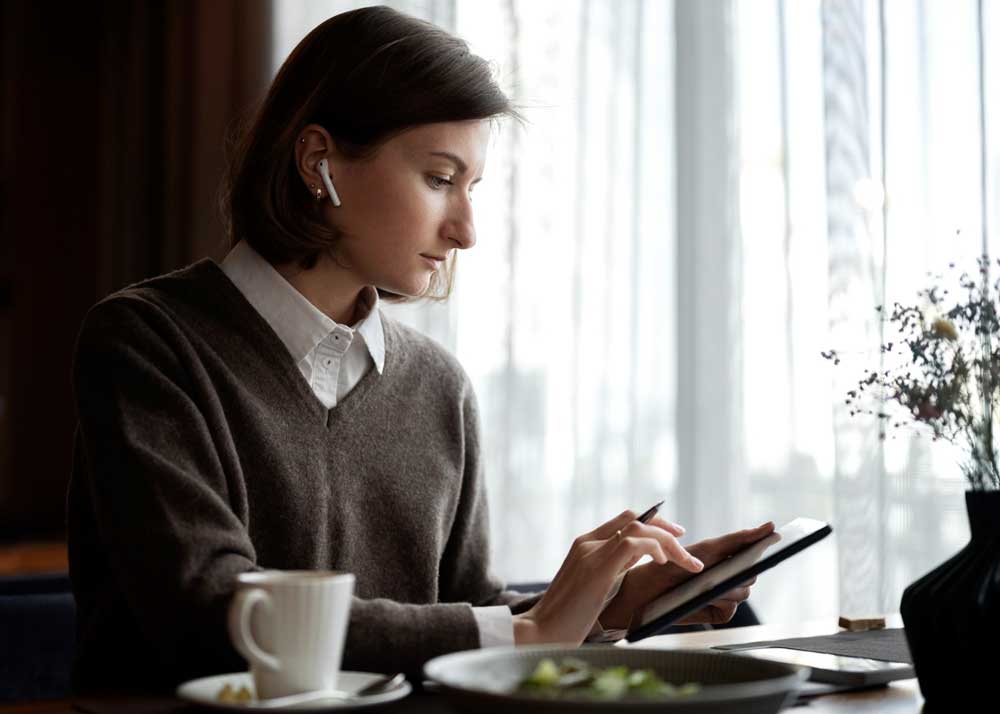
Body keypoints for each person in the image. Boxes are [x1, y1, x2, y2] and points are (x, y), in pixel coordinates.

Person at [66, 5, 773, 694]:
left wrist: (607, 608)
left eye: (472, 187)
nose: (466, 229)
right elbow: (216, 613)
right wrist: (530, 631)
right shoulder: (147, 343)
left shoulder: (440, 386)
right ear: (319, 162)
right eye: (439, 179)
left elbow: (461, 615)